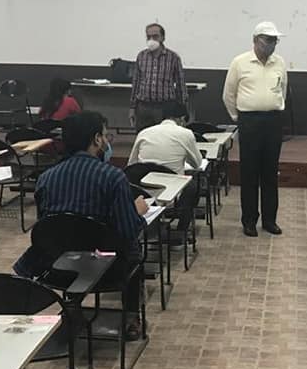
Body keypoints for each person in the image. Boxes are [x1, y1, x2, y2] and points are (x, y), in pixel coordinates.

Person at [14, 112, 148, 336]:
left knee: (70, 239)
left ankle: (73, 305)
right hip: (108, 270)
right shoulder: (113, 177)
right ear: (96, 139)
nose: (106, 141)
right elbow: (127, 231)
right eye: (105, 136)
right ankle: (132, 318)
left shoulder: (46, 177)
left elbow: (46, 226)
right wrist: (137, 213)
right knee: (133, 250)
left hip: (56, 266)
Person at [222, 21, 288, 237]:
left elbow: (282, 91)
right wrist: (238, 117)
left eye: (275, 41)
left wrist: (273, 108)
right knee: (249, 173)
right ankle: (249, 220)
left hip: (273, 121)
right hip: (249, 121)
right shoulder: (240, 62)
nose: (272, 45)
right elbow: (228, 95)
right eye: (268, 40)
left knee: (270, 172)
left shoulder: (279, 63)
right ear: (256, 40)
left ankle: (270, 220)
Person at [129, 23, 187, 131]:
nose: (151, 40)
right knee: (144, 138)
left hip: (165, 107)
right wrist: (132, 108)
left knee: (165, 139)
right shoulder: (141, 56)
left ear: (163, 38)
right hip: (143, 107)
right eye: (148, 37)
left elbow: (180, 84)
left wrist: (182, 109)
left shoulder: (173, 57)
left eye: (155, 36)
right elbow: (136, 83)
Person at [127, 100, 203, 175]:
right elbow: (197, 164)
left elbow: (131, 165)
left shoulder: (144, 133)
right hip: (174, 184)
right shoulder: (186, 133)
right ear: (182, 119)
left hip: (144, 183)